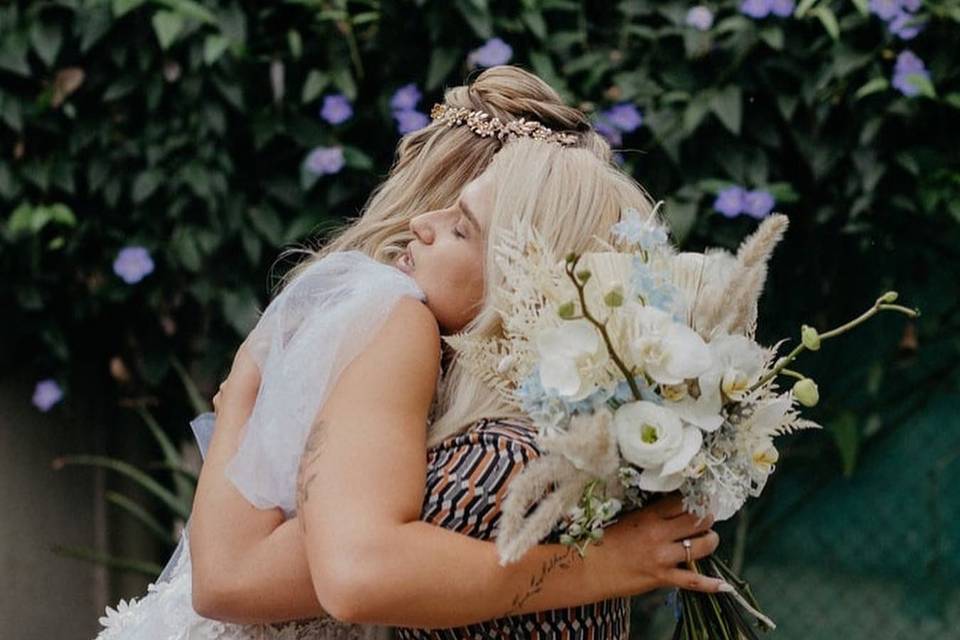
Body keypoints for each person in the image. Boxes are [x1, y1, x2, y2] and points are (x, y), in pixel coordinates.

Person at [197, 138, 727, 640]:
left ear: (520, 279)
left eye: (462, 229)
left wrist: (245, 389)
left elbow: (319, 574)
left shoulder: (500, 455)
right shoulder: (529, 443)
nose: (420, 223)